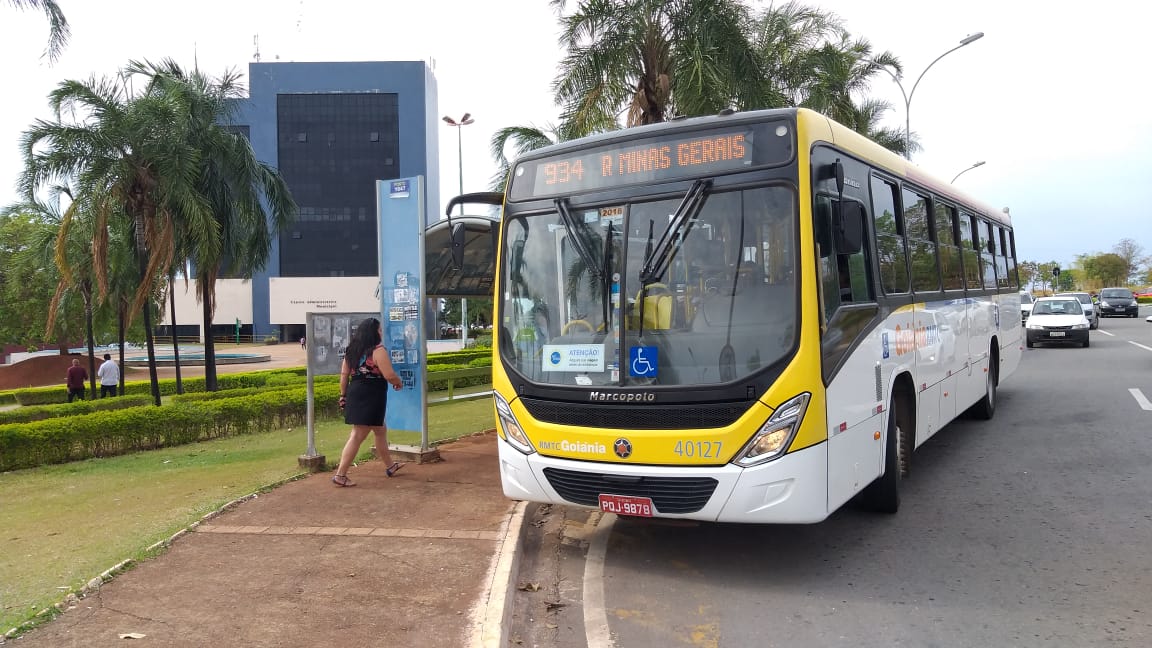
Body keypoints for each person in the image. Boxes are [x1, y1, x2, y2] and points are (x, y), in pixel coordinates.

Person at [331, 317, 405, 487]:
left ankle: (390, 466)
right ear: (374, 333)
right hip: (372, 394)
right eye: (379, 330)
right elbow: (389, 375)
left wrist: (343, 395)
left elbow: (344, 375)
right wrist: (398, 382)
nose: (381, 333)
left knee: (380, 430)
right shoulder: (378, 351)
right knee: (358, 434)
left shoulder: (352, 351)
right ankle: (340, 474)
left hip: (355, 391)